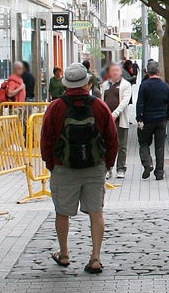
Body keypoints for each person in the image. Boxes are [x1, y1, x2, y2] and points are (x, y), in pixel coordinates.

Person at [40, 63, 120, 274]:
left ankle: (64, 253)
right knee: (96, 212)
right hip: (94, 167)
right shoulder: (99, 106)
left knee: (62, 212)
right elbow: (112, 138)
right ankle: (95, 257)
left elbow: (46, 139)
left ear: (66, 83)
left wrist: (51, 164)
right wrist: (107, 164)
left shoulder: (56, 107)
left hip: (63, 167)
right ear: (87, 82)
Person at [135, 60, 169, 180]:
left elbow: (140, 103)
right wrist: (166, 116)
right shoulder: (165, 86)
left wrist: (139, 118)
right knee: (160, 146)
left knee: (143, 142)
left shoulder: (144, 85)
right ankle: (159, 173)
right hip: (161, 120)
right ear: (158, 71)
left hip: (147, 120)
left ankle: (147, 163)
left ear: (147, 71)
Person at [102, 62, 134, 177]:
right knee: (107, 144)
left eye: (117, 70)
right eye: (113, 70)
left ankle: (121, 168)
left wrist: (115, 113)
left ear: (121, 72)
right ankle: (107, 168)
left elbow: (125, 101)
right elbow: (102, 101)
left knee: (122, 145)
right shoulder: (105, 85)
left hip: (120, 120)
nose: (115, 73)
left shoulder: (126, 85)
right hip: (107, 121)